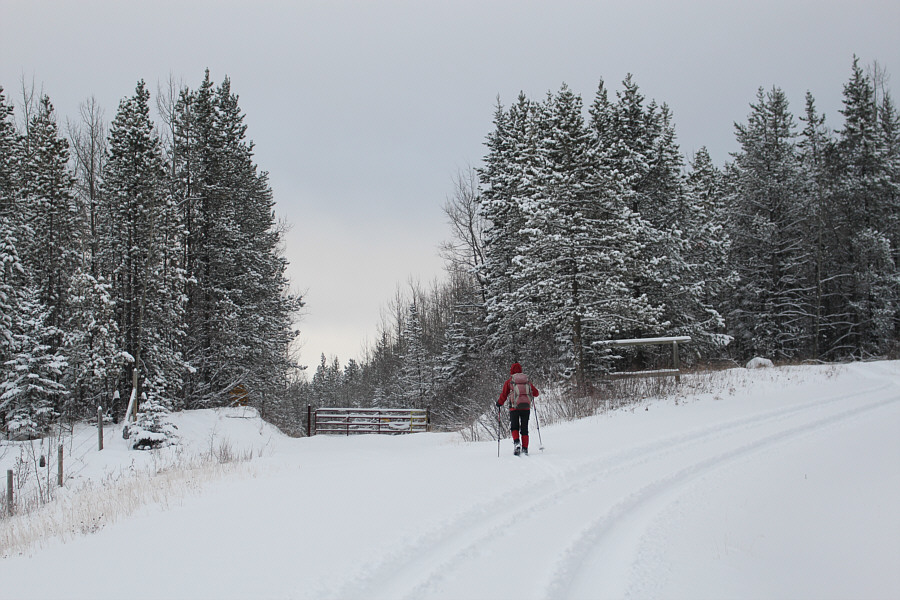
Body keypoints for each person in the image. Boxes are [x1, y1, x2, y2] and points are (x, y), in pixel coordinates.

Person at [497, 362, 539, 455]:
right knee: (524, 428)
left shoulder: (510, 381)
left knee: (514, 427)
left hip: (514, 408)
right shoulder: (526, 381)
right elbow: (536, 393)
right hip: (526, 408)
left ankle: (516, 443)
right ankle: (525, 448)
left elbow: (504, 395)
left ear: (511, 371)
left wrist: (499, 403)